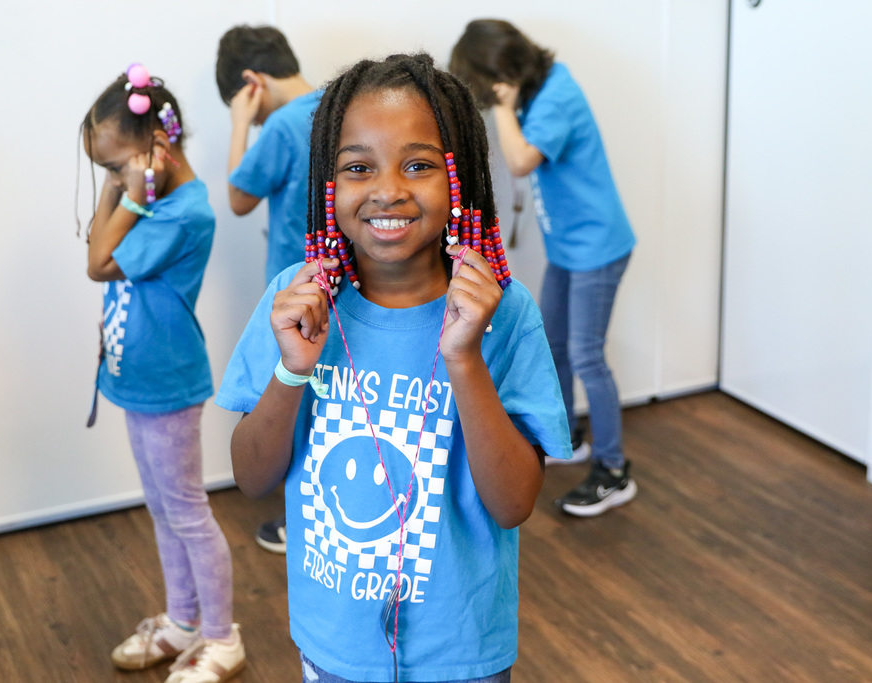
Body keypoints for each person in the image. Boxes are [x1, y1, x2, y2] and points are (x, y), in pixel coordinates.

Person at [215, 53, 571, 683]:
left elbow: (515, 503)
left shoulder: (504, 314)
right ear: (330, 184)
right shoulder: (294, 304)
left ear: (459, 180)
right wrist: (292, 370)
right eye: (358, 167)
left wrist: (463, 356)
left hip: (460, 656)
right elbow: (250, 477)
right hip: (335, 651)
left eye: (418, 165)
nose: (388, 189)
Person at [80, 64, 245, 683]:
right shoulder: (148, 201)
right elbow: (101, 249)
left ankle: (221, 636)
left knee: (186, 509)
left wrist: (126, 194)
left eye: (118, 166)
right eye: (106, 170)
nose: (114, 182)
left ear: (159, 148)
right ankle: (181, 622)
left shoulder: (183, 214)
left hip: (169, 384)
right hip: (136, 378)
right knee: (161, 507)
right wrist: (124, 184)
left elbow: (97, 262)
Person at [451, 19, 638, 518]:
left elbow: (518, 160)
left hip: (598, 246)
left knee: (586, 355)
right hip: (569, 247)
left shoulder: (556, 94)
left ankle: (614, 470)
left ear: (498, 75)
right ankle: (571, 436)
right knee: (554, 346)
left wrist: (504, 107)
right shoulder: (541, 91)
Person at [216, 25, 323, 554]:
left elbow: (238, 197)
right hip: (344, 281)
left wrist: (240, 124)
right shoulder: (336, 101)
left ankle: (296, 520)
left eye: (249, 104)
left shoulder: (280, 124)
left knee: (290, 399)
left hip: (295, 286)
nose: (253, 117)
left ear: (252, 83)